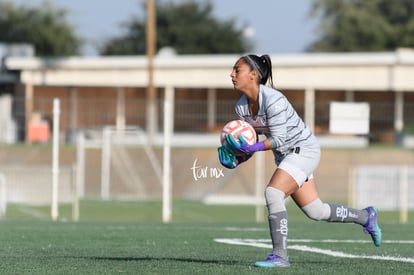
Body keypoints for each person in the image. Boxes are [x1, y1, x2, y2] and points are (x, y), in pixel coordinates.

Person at [217, 54, 382, 268]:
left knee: (273, 193)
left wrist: (252, 148)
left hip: (304, 150)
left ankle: (280, 256)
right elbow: (250, 142)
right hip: (287, 157)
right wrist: (238, 158)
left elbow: (278, 139)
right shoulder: (241, 108)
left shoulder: (274, 100)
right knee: (316, 211)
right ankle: (366, 217)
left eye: (236, 70)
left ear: (253, 75)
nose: (232, 74)